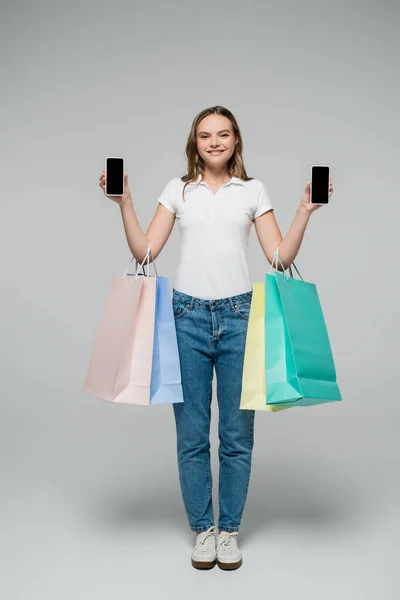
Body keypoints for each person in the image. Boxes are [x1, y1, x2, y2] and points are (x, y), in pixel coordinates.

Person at [98, 105, 333, 571]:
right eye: (205, 135)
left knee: (235, 435)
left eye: (223, 134)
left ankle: (229, 532)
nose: (214, 142)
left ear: (236, 141)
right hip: (185, 315)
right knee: (190, 434)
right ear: (195, 142)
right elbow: (146, 250)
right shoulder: (178, 189)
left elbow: (279, 257)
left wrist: (305, 210)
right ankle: (203, 530)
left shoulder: (253, 190)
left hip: (239, 316)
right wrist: (125, 203)